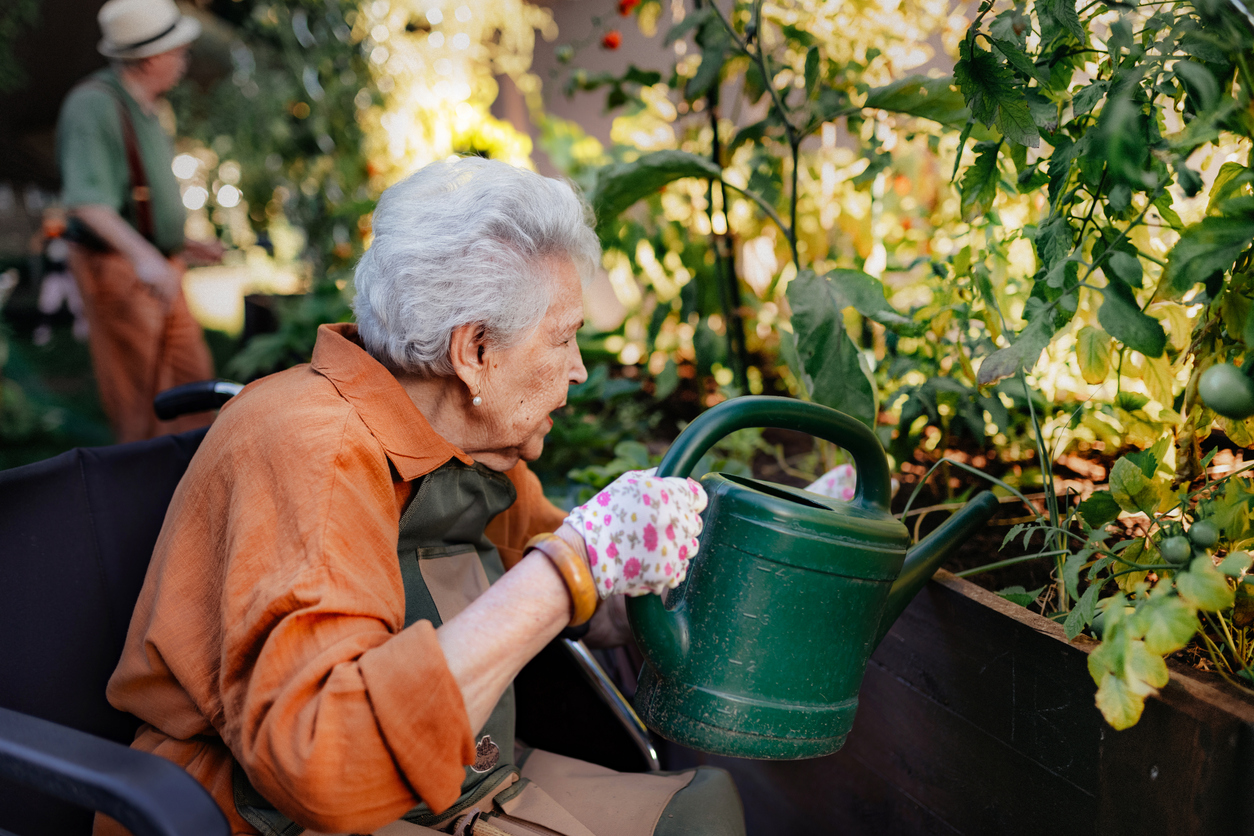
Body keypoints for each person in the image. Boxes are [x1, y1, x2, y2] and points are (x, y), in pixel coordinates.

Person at [96, 158, 746, 836]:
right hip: (266, 815)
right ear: (475, 351)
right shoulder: (312, 452)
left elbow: (592, 608)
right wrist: (571, 566)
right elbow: (321, 761)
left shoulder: (468, 442)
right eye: (563, 338)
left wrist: (724, 545)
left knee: (702, 814)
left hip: (463, 785)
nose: (579, 369)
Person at [57, 0, 221, 443]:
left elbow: (136, 199)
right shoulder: (93, 106)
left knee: (192, 381)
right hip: (120, 268)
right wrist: (146, 257)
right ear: (151, 58)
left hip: (157, 263)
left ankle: (195, 474)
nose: (183, 62)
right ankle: (144, 491)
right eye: (178, 52)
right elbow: (87, 204)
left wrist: (180, 243)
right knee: (142, 394)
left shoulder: (147, 107)